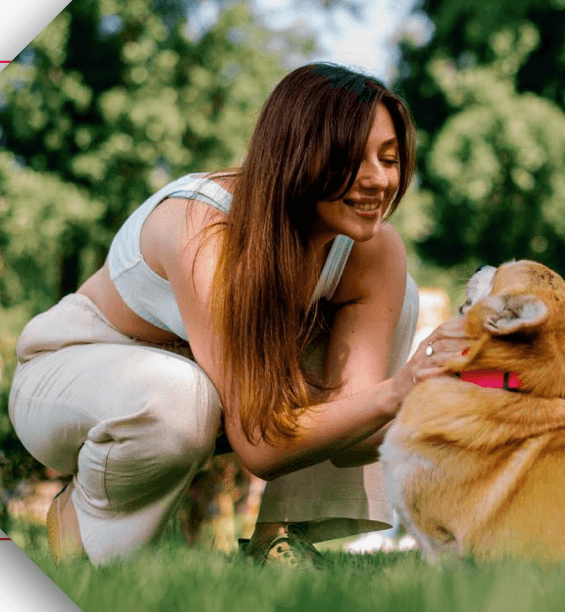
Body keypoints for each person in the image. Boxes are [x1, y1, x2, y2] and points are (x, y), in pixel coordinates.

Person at [8, 63, 469, 566]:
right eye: (353, 159)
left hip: (216, 389)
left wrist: (455, 398)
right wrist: (399, 391)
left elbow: (352, 424)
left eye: (390, 159)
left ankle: (282, 538)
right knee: (180, 395)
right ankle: (85, 521)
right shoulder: (204, 227)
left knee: (398, 298)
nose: (379, 181)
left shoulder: (371, 251)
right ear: (297, 153)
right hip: (73, 374)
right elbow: (261, 446)